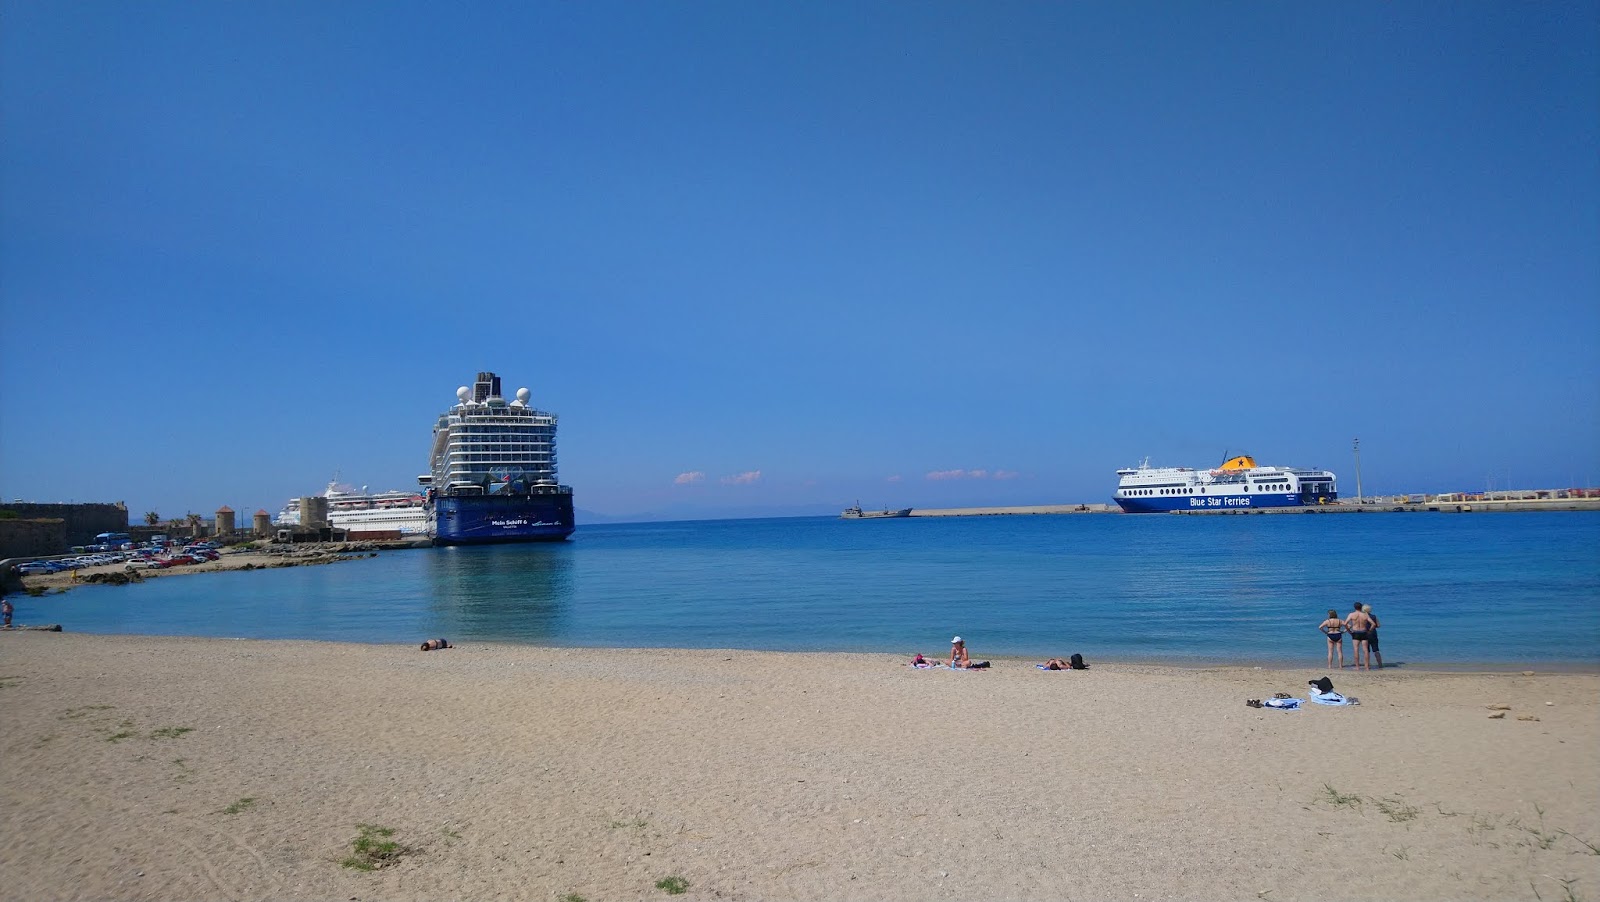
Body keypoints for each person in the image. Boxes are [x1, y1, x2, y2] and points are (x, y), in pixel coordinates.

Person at [1344, 603, 1374, 671]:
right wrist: (1369, 631)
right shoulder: (1365, 615)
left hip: (1355, 632)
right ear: (1361, 607)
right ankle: (1366, 667)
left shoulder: (1351, 614)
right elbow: (1373, 624)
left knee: (1356, 649)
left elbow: (1345, 624)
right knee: (1365, 650)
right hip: (1364, 632)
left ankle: (1357, 667)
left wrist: (1349, 631)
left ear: (1354, 607)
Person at [1363, 604, 1383, 669]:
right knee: (1376, 650)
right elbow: (1378, 625)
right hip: (1373, 633)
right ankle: (1380, 665)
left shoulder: (1362, 617)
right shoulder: (1374, 616)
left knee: (1366, 650)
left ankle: (1367, 665)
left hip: (1365, 634)